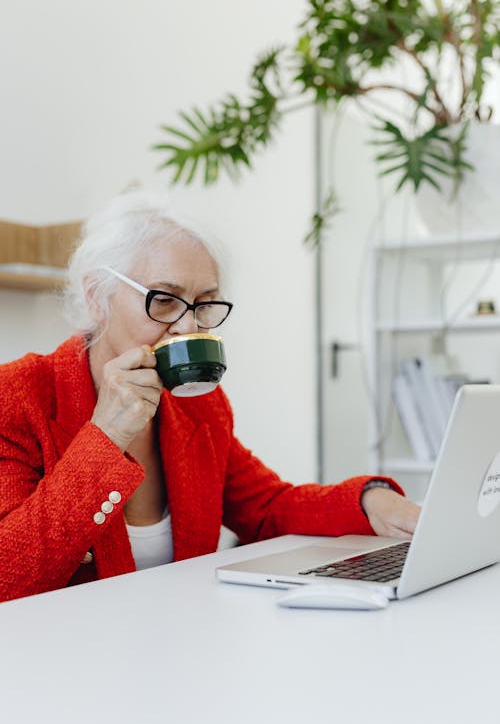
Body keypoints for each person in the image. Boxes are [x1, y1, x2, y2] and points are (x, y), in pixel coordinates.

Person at [0, 192, 419, 602]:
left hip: (184, 642)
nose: (188, 328)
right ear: (96, 295)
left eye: (204, 304)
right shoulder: (19, 395)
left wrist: (371, 500)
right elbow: (8, 577)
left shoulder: (197, 404)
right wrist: (107, 435)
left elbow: (266, 508)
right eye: (163, 300)